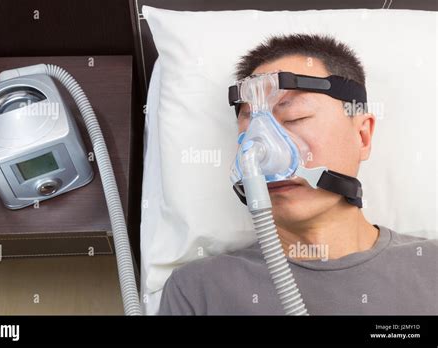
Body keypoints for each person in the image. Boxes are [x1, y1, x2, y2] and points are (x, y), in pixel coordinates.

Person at [158, 34, 438, 315]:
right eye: (252, 130)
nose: (266, 152)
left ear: (362, 136)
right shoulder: (198, 291)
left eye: (295, 119)